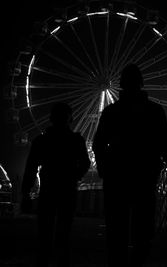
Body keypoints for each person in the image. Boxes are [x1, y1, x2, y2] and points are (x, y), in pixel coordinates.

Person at [92, 63, 167, 267]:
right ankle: (138, 261)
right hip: (145, 174)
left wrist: (104, 167)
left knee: (116, 227)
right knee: (143, 227)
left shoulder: (111, 112)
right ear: (141, 84)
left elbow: (98, 144)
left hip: (117, 176)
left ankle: (118, 262)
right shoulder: (155, 111)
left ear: (121, 85)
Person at [21, 102, 90, 267]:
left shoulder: (42, 141)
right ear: (71, 118)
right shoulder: (76, 140)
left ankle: (45, 258)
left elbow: (30, 167)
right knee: (64, 230)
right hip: (68, 188)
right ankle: (61, 259)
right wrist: (76, 175)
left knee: (45, 230)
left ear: (51, 118)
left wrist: (25, 193)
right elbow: (86, 163)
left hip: (48, 188)